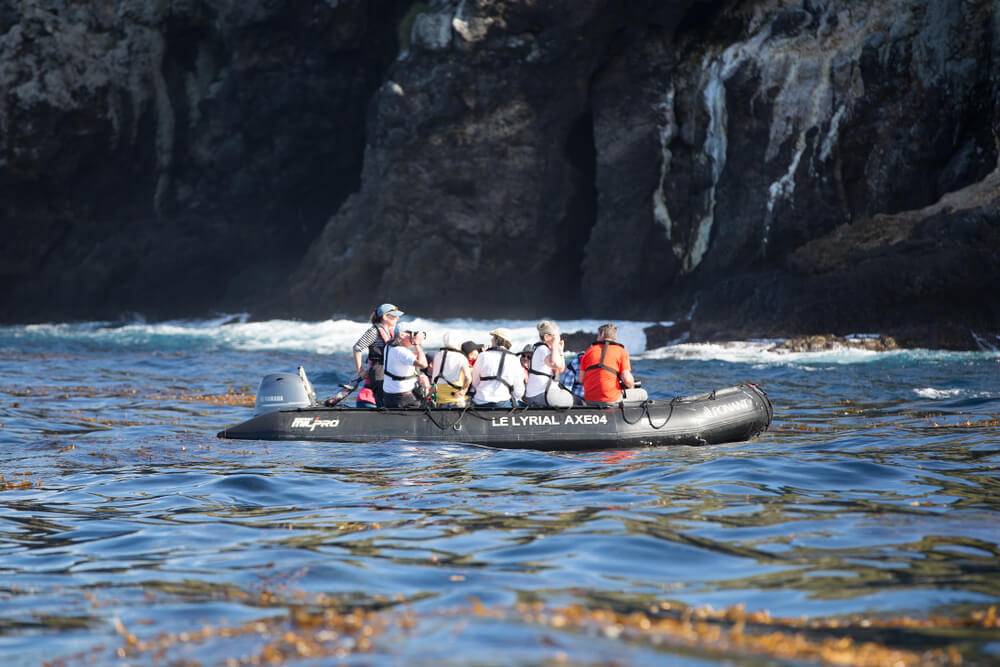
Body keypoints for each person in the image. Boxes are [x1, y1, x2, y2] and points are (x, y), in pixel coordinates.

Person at [580, 323, 648, 406]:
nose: (597, 337)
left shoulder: (588, 352)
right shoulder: (621, 351)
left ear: (602, 334)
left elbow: (581, 380)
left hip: (589, 400)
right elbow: (627, 380)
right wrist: (631, 388)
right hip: (611, 399)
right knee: (643, 393)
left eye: (598, 335)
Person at [352, 303, 403, 407]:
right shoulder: (374, 331)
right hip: (379, 370)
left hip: (388, 369)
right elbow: (357, 348)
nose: (397, 317)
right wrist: (360, 371)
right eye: (394, 315)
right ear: (384, 316)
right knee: (383, 400)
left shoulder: (391, 331)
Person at [524, 320, 575, 407]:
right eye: (556, 336)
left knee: (572, 398)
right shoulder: (542, 349)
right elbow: (555, 364)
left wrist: (560, 351)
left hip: (543, 394)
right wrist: (555, 345)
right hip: (540, 395)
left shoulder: (547, 350)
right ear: (546, 337)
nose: (558, 338)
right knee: (575, 401)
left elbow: (561, 369)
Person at [471, 328, 525, 408]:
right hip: (502, 403)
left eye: (493, 338)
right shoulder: (514, 359)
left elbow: (475, 383)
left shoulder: (482, 356)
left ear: (497, 340)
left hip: (480, 402)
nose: (491, 340)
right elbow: (519, 391)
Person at [382, 329, 429, 408]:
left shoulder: (388, 346)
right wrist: (416, 344)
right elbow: (423, 364)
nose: (414, 338)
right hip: (404, 398)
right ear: (402, 335)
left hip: (388, 396)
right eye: (413, 335)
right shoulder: (401, 351)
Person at [431, 331, 472, 407]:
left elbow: (434, 380)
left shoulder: (438, 355)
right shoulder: (461, 357)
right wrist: (464, 390)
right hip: (456, 400)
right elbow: (468, 377)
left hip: (440, 401)